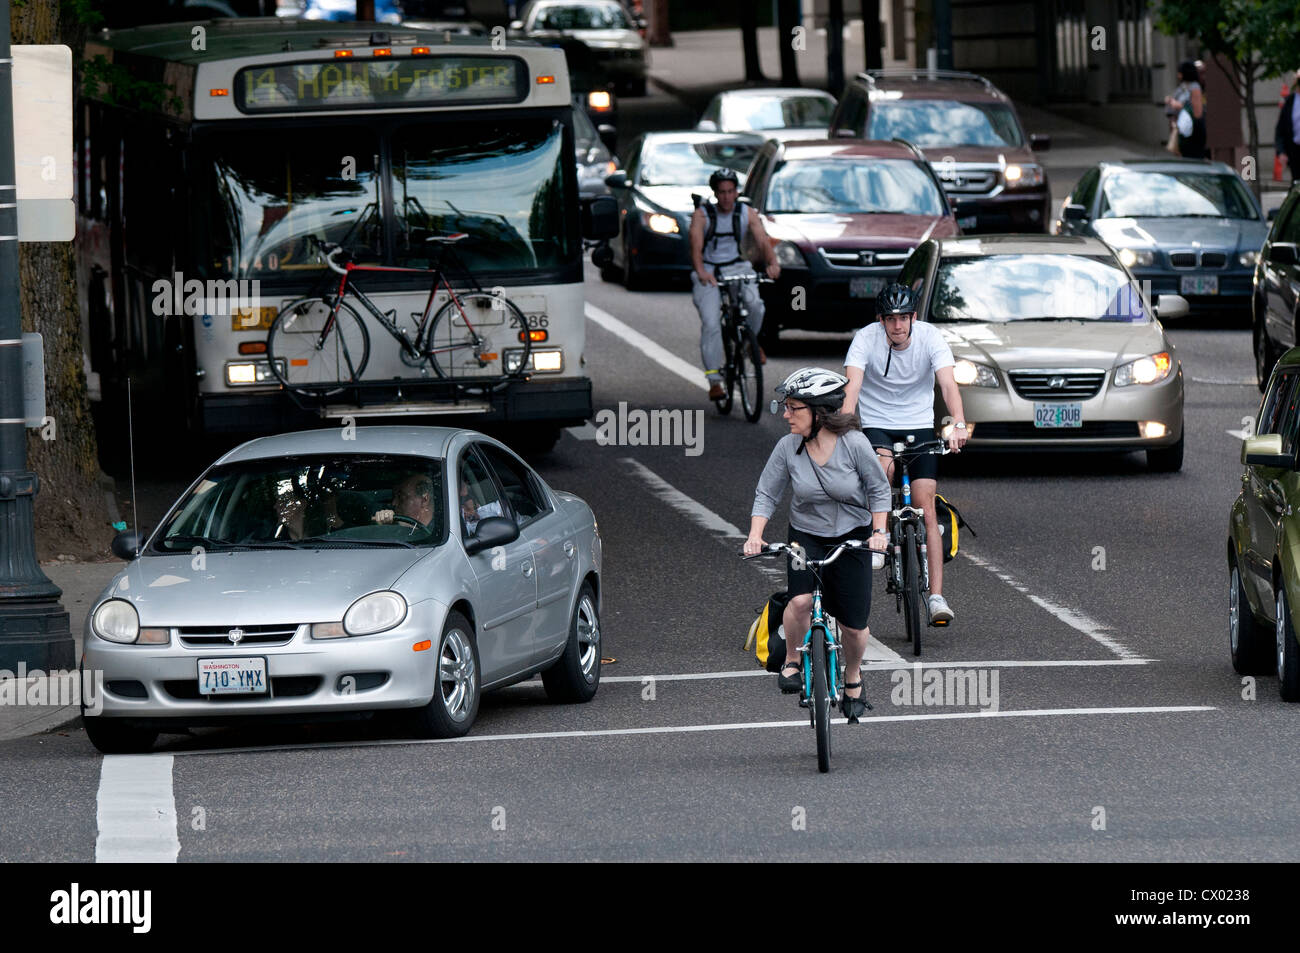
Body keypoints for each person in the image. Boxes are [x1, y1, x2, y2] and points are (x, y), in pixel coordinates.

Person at [744, 367, 891, 720]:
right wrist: (755, 535)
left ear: (819, 412)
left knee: (854, 626)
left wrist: (879, 531)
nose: (786, 414)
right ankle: (793, 661)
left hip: (852, 536)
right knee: (799, 601)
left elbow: (878, 489)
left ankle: (853, 675)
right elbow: (767, 492)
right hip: (806, 535)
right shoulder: (787, 447)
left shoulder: (854, 444)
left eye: (794, 407)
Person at [840, 283, 968, 626]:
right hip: (878, 424)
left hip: (919, 425)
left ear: (913, 317)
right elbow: (851, 389)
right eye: (890, 319)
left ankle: (937, 598)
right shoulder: (865, 339)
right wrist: (845, 429)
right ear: (881, 321)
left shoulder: (930, 338)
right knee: (882, 472)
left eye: (904, 318)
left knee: (926, 505)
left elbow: (948, 385)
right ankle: (879, 537)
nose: (897, 326)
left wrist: (958, 423)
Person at [689, 167, 780, 401]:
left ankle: (751, 341)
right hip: (708, 269)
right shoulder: (702, 215)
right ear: (715, 193)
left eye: (731, 192)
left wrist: (772, 262)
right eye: (722, 192)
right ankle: (714, 381)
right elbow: (696, 247)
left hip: (736, 266)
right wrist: (701, 272)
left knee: (756, 305)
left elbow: (762, 240)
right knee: (711, 323)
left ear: (736, 192)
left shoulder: (745, 212)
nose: (727, 197)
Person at [1164, 60, 1206, 159]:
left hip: (1192, 130)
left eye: (1180, 72)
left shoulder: (1195, 88)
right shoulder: (1183, 87)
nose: (1178, 75)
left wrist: (1175, 104)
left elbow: (1197, 111)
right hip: (1182, 127)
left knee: (1191, 157)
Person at [1276, 69, 1300, 183]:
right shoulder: (1289, 102)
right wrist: (1281, 152)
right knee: (1296, 182)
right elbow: (1280, 129)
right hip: (1294, 149)